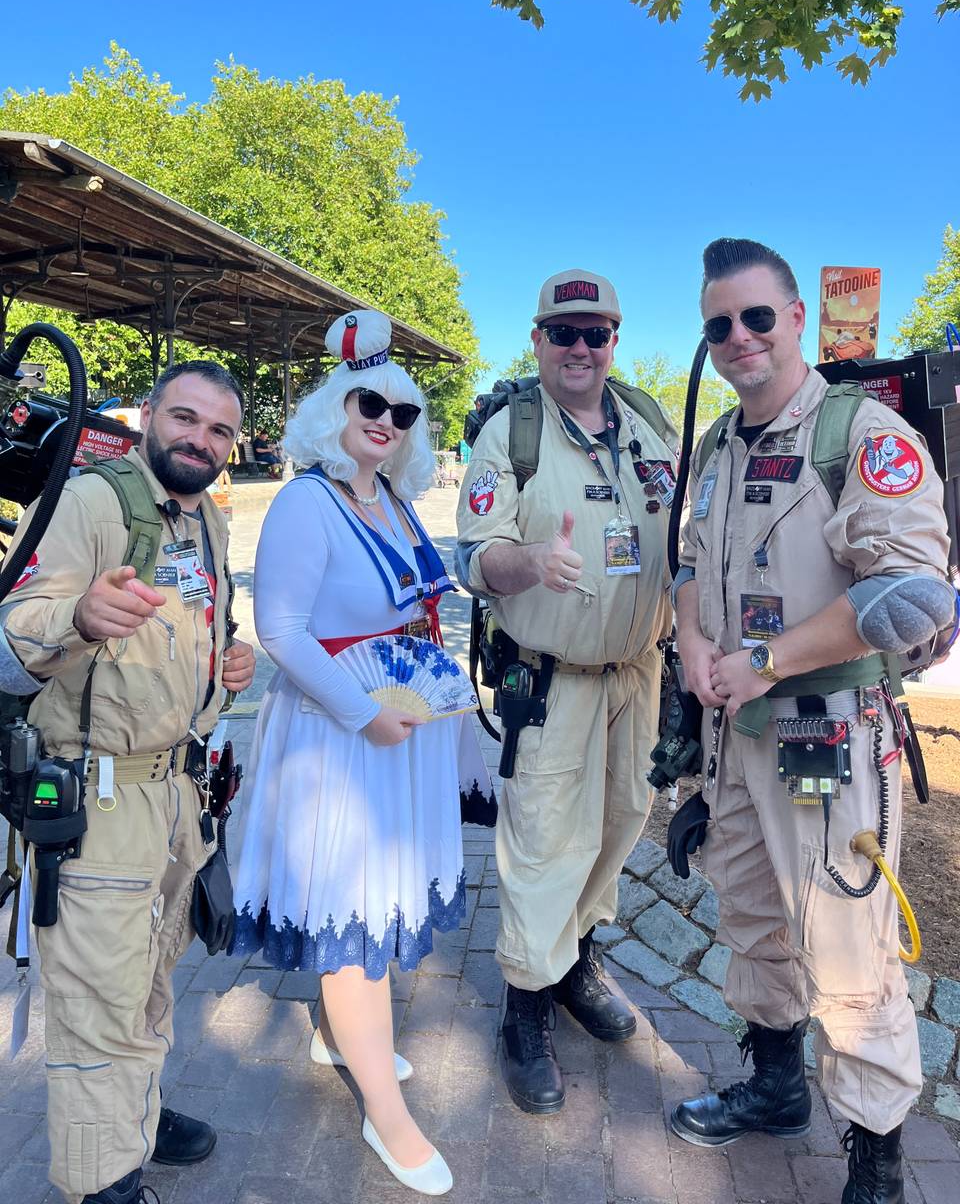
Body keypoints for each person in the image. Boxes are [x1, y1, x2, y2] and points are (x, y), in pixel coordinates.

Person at [671, 239, 954, 1204]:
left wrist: (763, 662)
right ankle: (777, 1085)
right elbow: (689, 562)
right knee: (753, 917)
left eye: (757, 316)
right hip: (733, 737)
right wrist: (691, 644)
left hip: (823, 733)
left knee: (846, 945)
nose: (739, 337)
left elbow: (913, 594)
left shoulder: (860, 432)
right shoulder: (718, 444)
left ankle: (877, 1159)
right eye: (719, 324)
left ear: (796, 318)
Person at [231, 309, 494, 1197]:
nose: (386, 421)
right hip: (337, 732)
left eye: (402, 411)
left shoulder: (392, 500)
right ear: (333, 411)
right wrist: (362, 712)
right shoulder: (306, 501)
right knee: (355, 908)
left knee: (375, 887)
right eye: (368, 405)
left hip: (395, 728)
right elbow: (280, 631)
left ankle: (339, 1035)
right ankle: (388, 1114)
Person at [0, 360, 256, 1204]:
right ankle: (103, 1180)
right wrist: (75, 617)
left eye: (219, 430)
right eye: (185, 418)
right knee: (96, 1005)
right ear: (149, 415)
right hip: (98, 797)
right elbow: (8, 639)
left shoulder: (205, 517)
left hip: (175, 795)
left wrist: (226, 665)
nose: (200, 440)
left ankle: (133, 1117)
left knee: (147, 976)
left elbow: (188, 628)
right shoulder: (88, 501)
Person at [455, 269, 677, 1114]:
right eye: (564, 332)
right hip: (548, 678)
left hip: (639, 674)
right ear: (538, 339)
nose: (581, 347)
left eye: (596, 333)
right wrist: (530, 562)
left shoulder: (649, 421)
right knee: (546, 840)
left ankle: (577, 963)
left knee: (620, 822)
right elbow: (475, 557)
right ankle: (525, 1008)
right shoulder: (510, 433)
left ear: (614, 340)